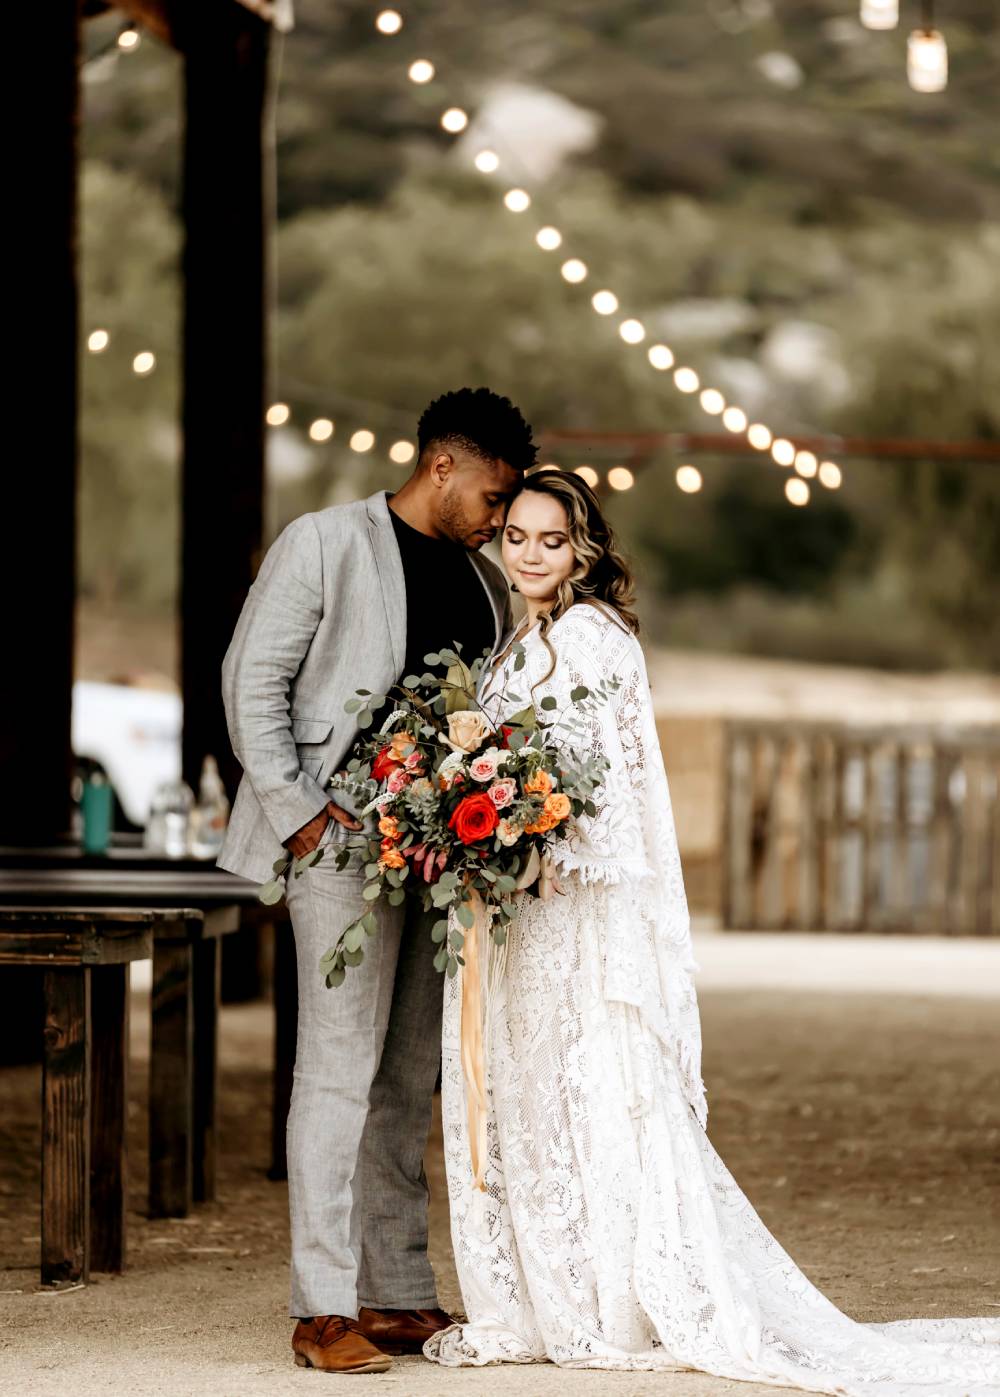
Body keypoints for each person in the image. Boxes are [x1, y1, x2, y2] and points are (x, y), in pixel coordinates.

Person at [424, 468, 1000, 1394]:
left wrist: (529, 827)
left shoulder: (592, 638)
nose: (530, 554)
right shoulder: (516, 641)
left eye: (551, 540)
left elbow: (605, 797)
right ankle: (545, 1293)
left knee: (588, 1090)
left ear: (584, 549)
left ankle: (612, 1301)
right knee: (533, 1099)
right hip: (517, 919)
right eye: (518, 537)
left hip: (570, 916)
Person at [218, 387, 537, 1374]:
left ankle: (393, 1288)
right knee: (336, 1070)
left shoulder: (484, 584)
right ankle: (320, 1306)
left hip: (433, 852)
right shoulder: (323, 541)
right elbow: (249, 680)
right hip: (335, 840)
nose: (497, 519)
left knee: (408, 1074)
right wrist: (303, 811)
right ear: (440, 466)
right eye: (490, 495)